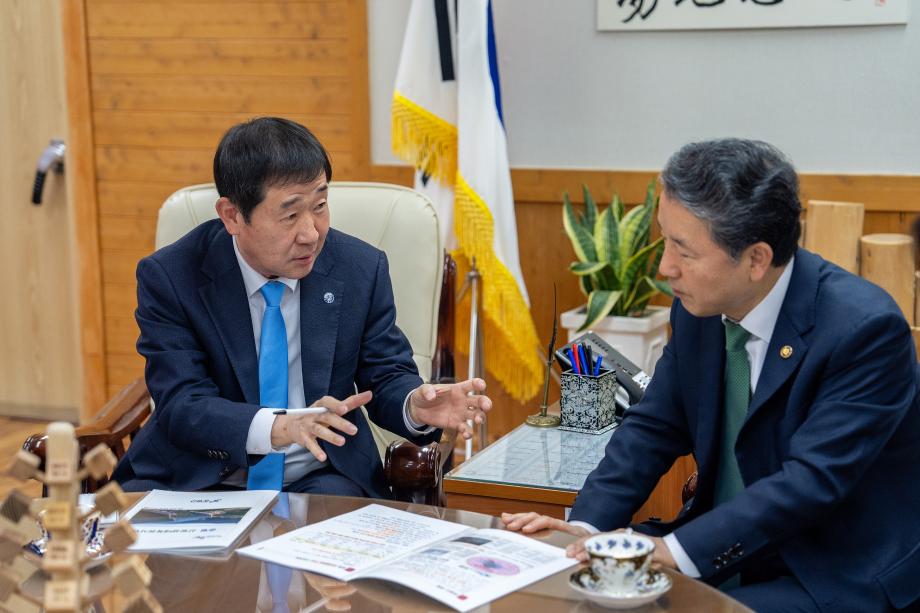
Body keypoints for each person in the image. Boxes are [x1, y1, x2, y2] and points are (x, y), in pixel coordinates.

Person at [503, 139, 920, 613]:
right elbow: (654, 425)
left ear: (756, 259)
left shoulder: (863, 330)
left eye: (684, 251)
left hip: (829, 568)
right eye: (664, 239)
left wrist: (672, 551)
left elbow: (809, 482)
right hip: (725, 549)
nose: (665, 268)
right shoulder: (700, 307)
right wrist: (586, 529)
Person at [113, 117, 491, 498]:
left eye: (320, 206)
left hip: (321, 475)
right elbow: (183, 403)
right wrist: (281, 427)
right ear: (232, 216)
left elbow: (386, 374)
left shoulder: (359, 269)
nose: (311, 233)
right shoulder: (172, 277)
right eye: (290, 215)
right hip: (196, 477)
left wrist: (415, 406)